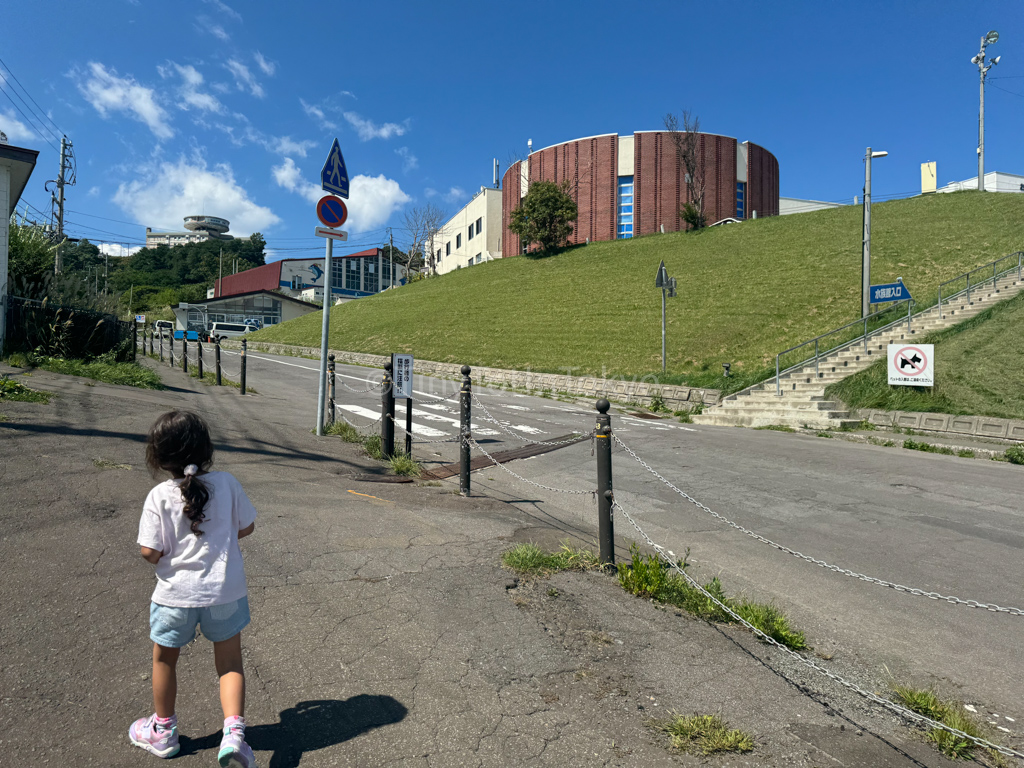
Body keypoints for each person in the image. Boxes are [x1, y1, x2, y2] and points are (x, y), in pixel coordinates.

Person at [129, 411, 258, 767]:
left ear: (158, 457)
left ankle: (163, 731)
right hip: (225, 593)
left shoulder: (159, 495)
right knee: (230, 663)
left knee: (165, 659)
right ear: (206, 450)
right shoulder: (228, 483)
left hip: (175, 597)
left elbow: (150, 552)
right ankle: (234, 736)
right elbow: (245, 527)